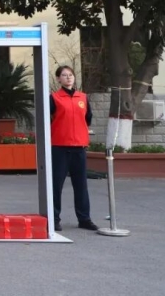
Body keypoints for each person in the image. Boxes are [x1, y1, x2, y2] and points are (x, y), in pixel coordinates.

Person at [50, 65, 98, 232]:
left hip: (79, 147)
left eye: (70, 75)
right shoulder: (54, 98)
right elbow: (47, 120)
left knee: (81, 185)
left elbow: (88, 118)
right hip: (60, 147)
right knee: (56, 185)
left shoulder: (83, 97)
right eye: (64, 75)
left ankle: (84, 219)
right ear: (58, 79)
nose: (68, 77)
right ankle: (54, 219)